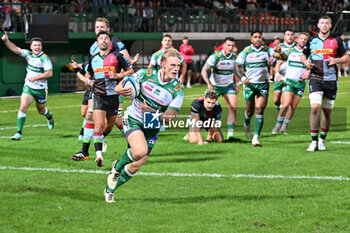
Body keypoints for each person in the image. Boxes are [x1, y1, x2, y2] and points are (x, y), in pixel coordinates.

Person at [104, 48, 184, 203]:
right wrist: (123, 90)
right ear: (163, 65)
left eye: (178, 66)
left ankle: (110, 190)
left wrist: (152, 111)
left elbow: (169, 118)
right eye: (173, 65)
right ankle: (117, 167)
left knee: (136, 165)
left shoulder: (178, 90)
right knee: (140, 151)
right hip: (134, 117)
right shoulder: (144, 75)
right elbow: (117, 88)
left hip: (152, 123)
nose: (176, 69)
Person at [83, 31, 134, 166]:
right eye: (101, 38)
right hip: (99, 96)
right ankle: (99, 156)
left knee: (110, 126)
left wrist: (117, 76)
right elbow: (87, 75)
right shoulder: (93, 58)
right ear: (97, 42)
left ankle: (99, 141)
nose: (103, 40)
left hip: (114, 97)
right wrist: (88, 81)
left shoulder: (117, 56)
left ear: (110, 43)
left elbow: (130, 71)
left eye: (106, 38)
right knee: (99, 125)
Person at [300, 16, 349, 151]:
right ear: (318, 25)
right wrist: (305, 62)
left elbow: (346, 57)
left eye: (327, 23)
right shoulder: (312, 40)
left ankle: (322, 139)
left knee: (327, 113)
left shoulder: (337, 40)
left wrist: (336, 61)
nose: (324, 25)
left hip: (331, 79)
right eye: (322, 23)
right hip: (315, 78)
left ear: (330, 25)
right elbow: (303, 55)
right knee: (315, 107)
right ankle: (314, 141)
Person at [1, 33, 54, 140]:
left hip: (40, 89)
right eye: (35, 45)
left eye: (39, 45)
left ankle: (49, 116)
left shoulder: (44, 58)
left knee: (41, 111)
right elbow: (15, 49)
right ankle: (19, 133)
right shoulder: (28, 54)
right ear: (31, 47)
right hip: (29, 87)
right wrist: (6, 41)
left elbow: (49, 73)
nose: (37, 47)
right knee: (23, 107)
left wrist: (36, 78)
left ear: (41, 47)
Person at [235, 31, 280, 146]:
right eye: (255, 37)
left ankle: (256, 138)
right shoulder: (246, 51)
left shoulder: (267, 49)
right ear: (251, 39)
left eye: (259, 37)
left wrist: (278, 54)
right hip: (250, 84)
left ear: (262, 39)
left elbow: (277, 56)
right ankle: (247, 122)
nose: (257, 39)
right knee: (250, 111)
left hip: (263, 84)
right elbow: (236, 66)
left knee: (260, 110)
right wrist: (243, 78)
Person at [271, 33, 310, 135]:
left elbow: (312, 66)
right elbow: (280, 61)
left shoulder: (309, 53)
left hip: (300, 83)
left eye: (305, 39)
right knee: (286, 104)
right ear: (297, 40)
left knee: (293, 107)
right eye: (301, 38)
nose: (303, 41)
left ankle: (284, 128)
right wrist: (277, 74)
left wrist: (308, 72)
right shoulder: (290, 51)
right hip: (289, 81)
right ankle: (277, 125)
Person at [201, 37, 238, 140]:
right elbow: (204, 70)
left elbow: (237, 71)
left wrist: (238, 84)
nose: (230, 48)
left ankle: (231, 135)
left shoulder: (235, 57)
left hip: (228, 86)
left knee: (233, 107)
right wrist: (209, 83)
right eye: (228, 45)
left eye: (232, 46)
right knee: (205, 109)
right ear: (224, 45)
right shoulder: (215, 56)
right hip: (215, 86)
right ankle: (194, 132)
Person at [273, 29, 296, 113]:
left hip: (291, 77)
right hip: (280, 75)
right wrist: (277, 74)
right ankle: (279, 109)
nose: (290, 36)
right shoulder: (279, 47)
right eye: (288, 34)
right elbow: (276, 59)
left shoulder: (297, 47)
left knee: (286, 101)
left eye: (292, 35)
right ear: (284, 36)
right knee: (276, 100)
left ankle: (282, 118)